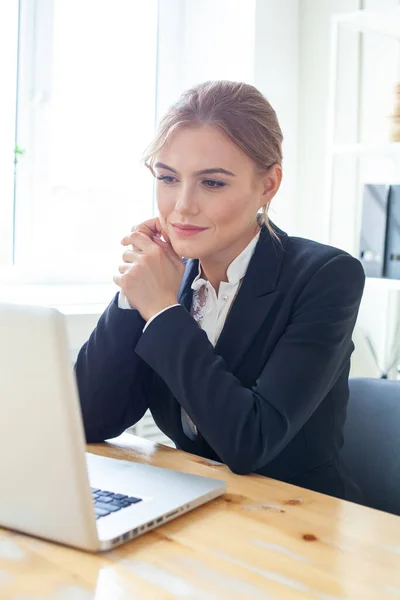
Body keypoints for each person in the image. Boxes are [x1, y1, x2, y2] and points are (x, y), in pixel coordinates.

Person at [75, 80, 365, 502]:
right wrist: (133, 293)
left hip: (295, 520)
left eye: (212, 183)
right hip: (196, 505)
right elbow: (87, 420)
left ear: (267, 186)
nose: (182, 206)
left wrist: (160, 309)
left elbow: (249, 442)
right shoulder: (168, 274)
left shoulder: (327, 276)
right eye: (168, 178)